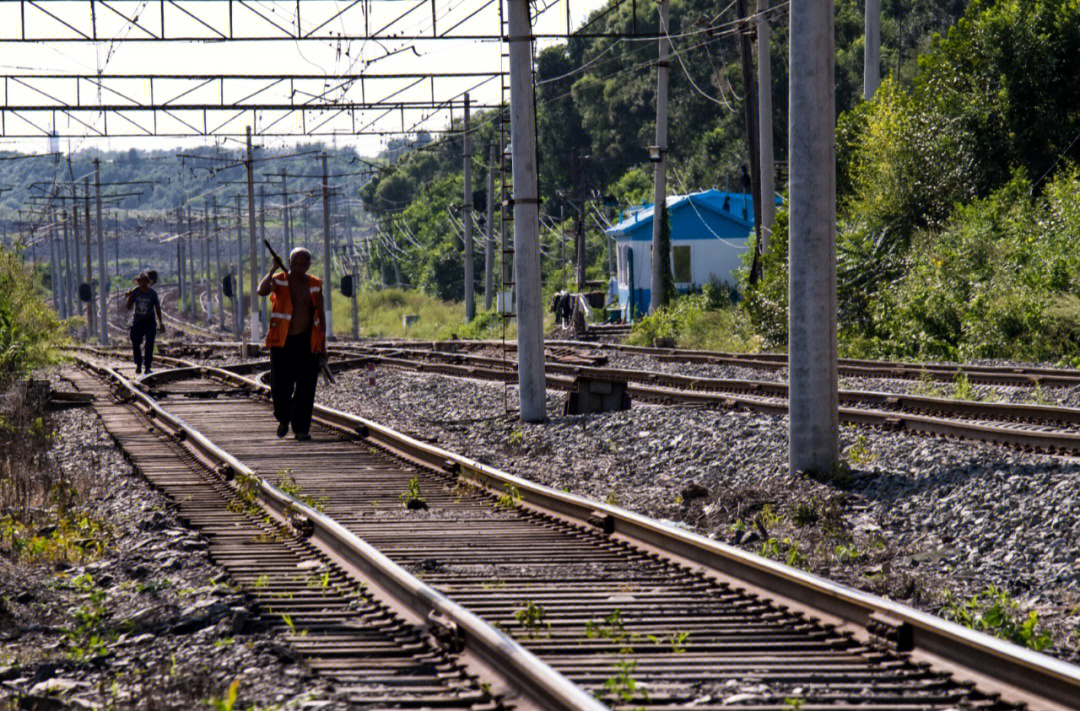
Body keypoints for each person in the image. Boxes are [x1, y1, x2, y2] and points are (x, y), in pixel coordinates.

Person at [258, 247, 326, 441]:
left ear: (308, 266)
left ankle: (301, 429)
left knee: (306, 386)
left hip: (306, 341)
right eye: (294, 263)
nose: (297, 267)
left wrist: (323, 346)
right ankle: (283, 418)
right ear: (288, 262)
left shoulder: (313, 284)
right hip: (282, 342)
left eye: (302, 264)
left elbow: (320, 315)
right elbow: (261, 291)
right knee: (279, 385)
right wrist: (271, 270)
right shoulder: (279, 279)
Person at [125, 272, 165, 374]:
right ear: (138, 282)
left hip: (149, 322)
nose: (143, 284)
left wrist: (160, 322)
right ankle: (138, 363)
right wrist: (130, 296)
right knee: (135, 341)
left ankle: (147, 366)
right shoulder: (135, 292)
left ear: (148, 282)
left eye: (145, 282)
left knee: (149, 344)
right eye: (141, 281)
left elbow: (157, 308)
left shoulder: (152, 294)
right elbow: (129, 307)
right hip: (138, 321)